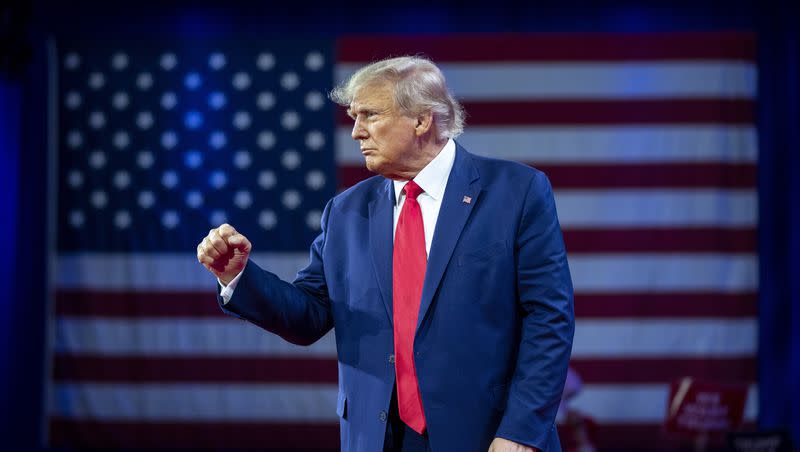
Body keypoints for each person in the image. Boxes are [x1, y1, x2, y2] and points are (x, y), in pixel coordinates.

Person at [196, 56, 574, 452]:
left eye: (370, 115)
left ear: (422, 120)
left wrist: (520, 432)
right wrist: (237, 275)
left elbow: (549, 319)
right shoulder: (345, 212)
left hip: (488, 435)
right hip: (377, 437)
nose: (356, 132)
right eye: (354, 116)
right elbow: (307, 315)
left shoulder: (515, 191)